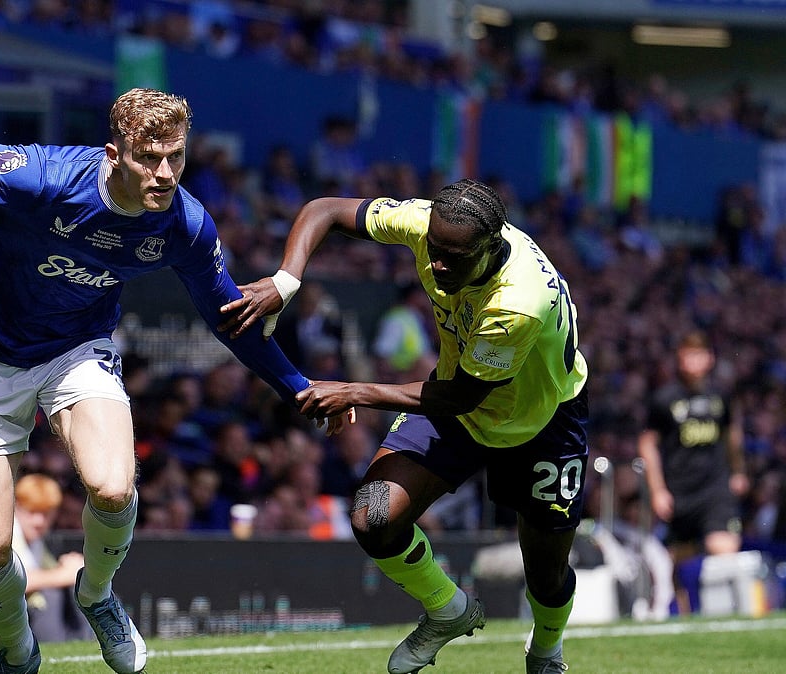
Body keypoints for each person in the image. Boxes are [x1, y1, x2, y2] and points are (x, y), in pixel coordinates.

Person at [0, 87, 338, 674]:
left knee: (113, 485)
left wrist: (297, 386)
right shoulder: (43, 177)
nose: (163, 173)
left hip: (76, 350)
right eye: (147, 158)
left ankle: (97, 595)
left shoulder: (185, 225)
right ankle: (18, 653)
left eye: (175, 157)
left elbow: (231, 320)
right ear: (112, 154)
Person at [220, 178, 589, 674]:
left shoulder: (517, 303)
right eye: (433, 249)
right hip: (457, 405)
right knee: (373, 516)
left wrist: (352, 391)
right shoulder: (428, 223)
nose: (436, 266)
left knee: (544, 573)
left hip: (541, 419)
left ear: (490, 247)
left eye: (452, 258)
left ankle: (546, 650)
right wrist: (286, 281)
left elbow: (460, 396)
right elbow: (325, 209)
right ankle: (447, 609)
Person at [637, 330, 747, 615]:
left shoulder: (720, 396)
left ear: (709, 358)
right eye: (689, 355)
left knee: (723, 547)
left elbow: (731, 436)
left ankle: (730, 614)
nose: (695, 361)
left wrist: (738, 471)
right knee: (678, 560)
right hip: (679, 491)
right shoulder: (664, 399)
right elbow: (647, 444)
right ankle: (687, 617)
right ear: (680, 359)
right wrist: (658, 490)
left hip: (715, 487)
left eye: (700, 354)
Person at [0, 473, 91, 649]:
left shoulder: (35, 540)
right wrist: (65, 573)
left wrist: (71, 565)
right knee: (47, 597)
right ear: (17, 507)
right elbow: (17, 581)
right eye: (32, 512)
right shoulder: (6, 533)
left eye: (46, 513)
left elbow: (55, 572)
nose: (39, 521)